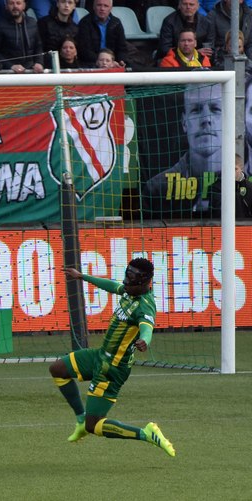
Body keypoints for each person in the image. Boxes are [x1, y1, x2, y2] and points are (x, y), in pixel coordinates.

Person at [49, 259, 176, 457]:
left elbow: (147, 327)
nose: (126, 282)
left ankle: (146, 433)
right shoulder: (129, 290)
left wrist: (145, 340)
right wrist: (82, 276)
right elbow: (111, 285)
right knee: (58, 369)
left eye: (131, 279)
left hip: (113, 368)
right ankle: (81, 418)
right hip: (100, 355)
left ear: (144, 282)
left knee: (95, 425)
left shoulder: (145, 306)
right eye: (127, 276)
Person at [143, 83, 222, 216]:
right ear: (184, 122)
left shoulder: (240, 184)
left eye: (215, 109)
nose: (206, 119)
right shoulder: (156, 188)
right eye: (196, 110)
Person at [0, 0, 44, 73]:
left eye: (18, 3)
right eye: (11, 3)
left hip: (31, 70)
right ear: (6, 6)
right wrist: (11, 66)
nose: (15, 6)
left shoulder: (32, 22)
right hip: (8, 73)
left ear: (24, 5)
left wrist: (39, 62)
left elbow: (38, 46)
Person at [75, 0, 129, 67]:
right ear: (94, 7)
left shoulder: (116, 23)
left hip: (113, 62)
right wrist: (103, 62)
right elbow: (84, 50)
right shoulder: (84, 23)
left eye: (106, 6)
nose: (102, 9)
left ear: (111, 8)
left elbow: (122, 47)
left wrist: (121, 61)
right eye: (99, 5)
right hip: (91, 62)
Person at [158, 0, 211, 64]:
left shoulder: (206, 22)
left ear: (198, 6)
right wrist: (194, 52)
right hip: (174, 60)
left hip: (201, 59)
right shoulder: (169, 21)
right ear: (179, 6)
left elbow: (210, 46)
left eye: (191, 4)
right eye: (185, 4)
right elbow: (164, 49)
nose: (188, 7)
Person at [205, 0, 252, 65]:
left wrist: (249, 64)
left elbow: (250, 44)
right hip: (221, 60)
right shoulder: (213, 15)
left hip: (245, 60)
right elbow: (210, 45)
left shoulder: (249, 14)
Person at [37, 0, 78, 66]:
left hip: (68, 67)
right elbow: (39, 49)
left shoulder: (75, 28)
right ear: (57, 4)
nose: (66, 5)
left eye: (70, 2)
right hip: (47, 65)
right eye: (63, 2)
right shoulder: (44, 23)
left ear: (74, 6)